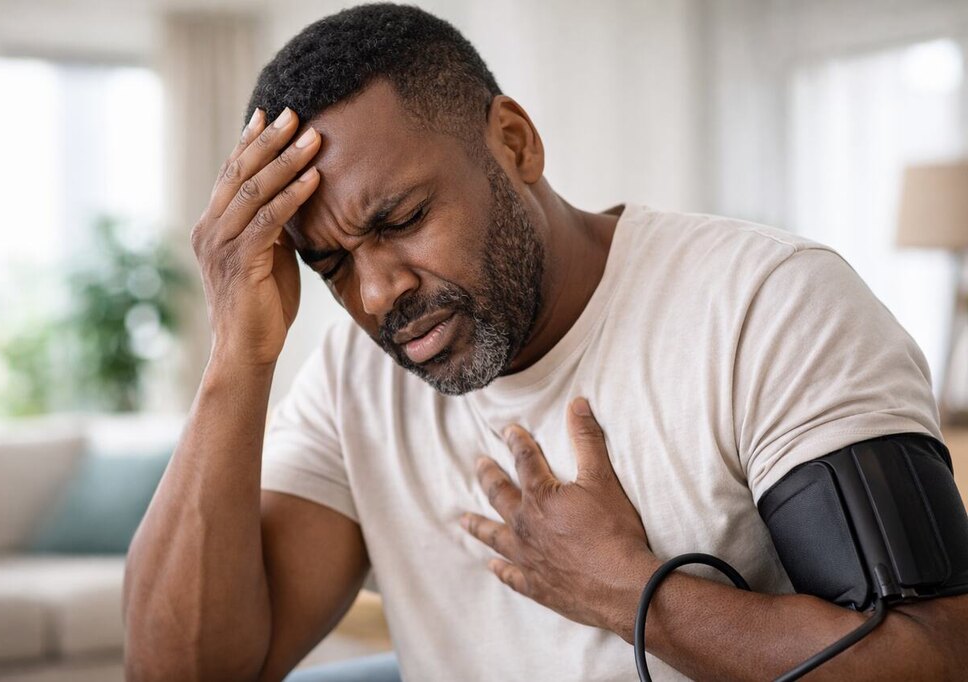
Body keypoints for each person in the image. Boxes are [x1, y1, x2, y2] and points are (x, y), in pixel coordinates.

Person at [122, 3, 968, 681]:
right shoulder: (353, 379)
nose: (378, 293)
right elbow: (182, 669)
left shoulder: (767, 304)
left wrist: (633, 596)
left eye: (405, 219)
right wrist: (239, 353)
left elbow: (932, 656)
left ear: (514, 143)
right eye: (332, 263)